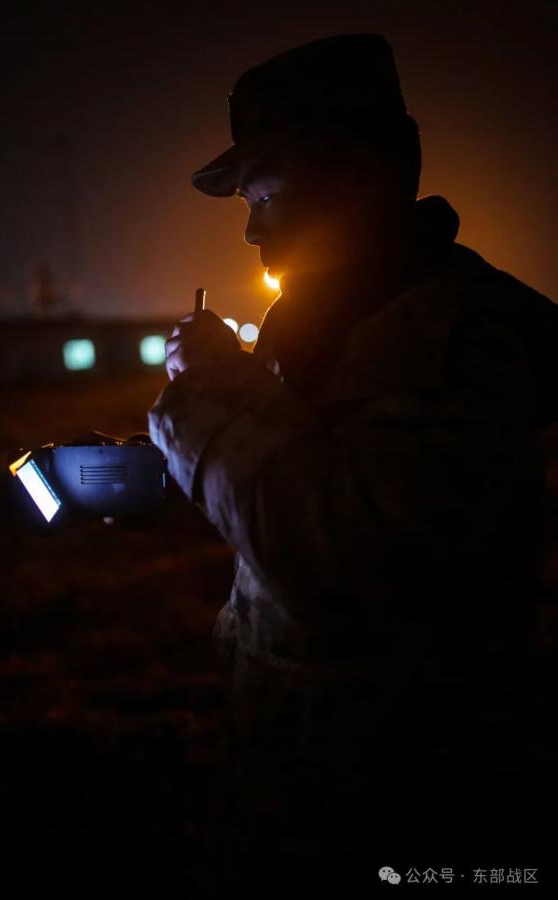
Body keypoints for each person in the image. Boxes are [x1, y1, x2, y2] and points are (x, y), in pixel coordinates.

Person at [148, 35, 558, 891]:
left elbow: (345, 554)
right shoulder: (335, 327)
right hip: (299, 799)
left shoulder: (460, 339)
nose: (255, 227)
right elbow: (294, 477)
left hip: (410, 823)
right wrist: (167, 471)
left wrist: (213, 408)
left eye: (271, 194)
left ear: (364, 179)